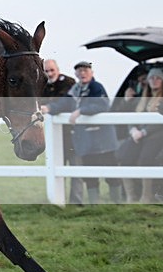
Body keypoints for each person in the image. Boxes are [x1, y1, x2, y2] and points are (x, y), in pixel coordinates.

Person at [42, 61, 122, 204]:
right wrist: (49, 108)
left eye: (85, 70)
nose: (82, 73)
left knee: (112, 175)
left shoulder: (97, 87)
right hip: (87, 142)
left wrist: (80, 111)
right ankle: (94, 206)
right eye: (79, 71)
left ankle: (117, 204)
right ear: (76, 74)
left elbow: (102, 104)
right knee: (90, 176)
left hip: (103, 142)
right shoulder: (76, 89)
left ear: (91, 73)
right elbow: (64, 103)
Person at [115, 68, 163, 202]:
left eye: (158, 78)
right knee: (124, 158)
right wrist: (132, 130)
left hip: (158, 136)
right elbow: (127, 115)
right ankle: (130, 196)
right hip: (138, 135)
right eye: (151, 78)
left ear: (162, 81)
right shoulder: (141, 99)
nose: (154, 80)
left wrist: (144, 132)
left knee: (145, 160)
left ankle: (146, 195)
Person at [40, 59, 83, 204]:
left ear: (58, 69)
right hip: (54, 136)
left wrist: (50, 107)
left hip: (73, 134)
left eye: (52, 70)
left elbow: (67, 102)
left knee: (76, 168)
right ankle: (59, 200)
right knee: (56, 168)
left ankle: (76, 202)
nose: (50, 73)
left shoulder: (69, 82)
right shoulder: (42, 85)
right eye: (46, 71)